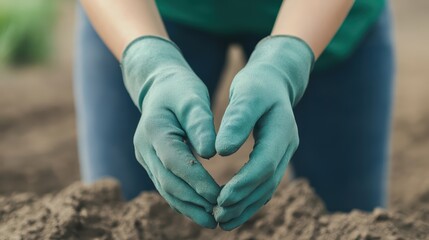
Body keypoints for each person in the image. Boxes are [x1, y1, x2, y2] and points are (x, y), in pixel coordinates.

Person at [75, 0, 395, 231]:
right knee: (119, 219)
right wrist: (148, 63)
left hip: (326, 17)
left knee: (351, 222)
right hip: (147, 14)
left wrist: (288, 59)